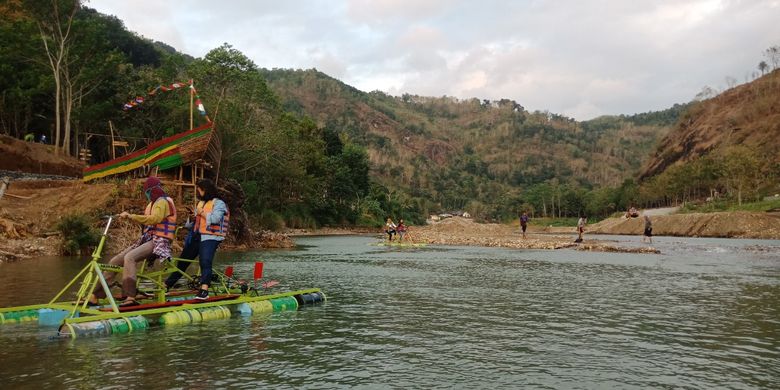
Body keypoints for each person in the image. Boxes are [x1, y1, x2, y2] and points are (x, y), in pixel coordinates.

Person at [88, 176, 176, 306]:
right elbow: (146, 222)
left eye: (148, 191)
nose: (147, 194)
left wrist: (131, 216)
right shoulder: (151, 204)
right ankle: (95, 295)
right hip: (147, 239)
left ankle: (130, 297)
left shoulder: (163, 202)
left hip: (160, 241)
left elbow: (155, 219)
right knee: (114, 261)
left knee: (130, 257)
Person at [165, 179, 229, 300]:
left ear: (205, 190)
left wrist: (202, 213)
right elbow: (195, 223)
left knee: (205, 261)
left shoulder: (219, 203)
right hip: (196, 235)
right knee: (183, 261)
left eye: (199, 190)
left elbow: (215, 219)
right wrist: (191, 217)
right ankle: (167, 285)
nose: (197, 193)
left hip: (211, 236)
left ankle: (204, 289)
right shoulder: (200, 203)